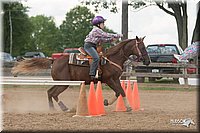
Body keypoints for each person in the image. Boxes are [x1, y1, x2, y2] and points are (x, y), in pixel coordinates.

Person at [84, 16, 123, 80]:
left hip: (92, 46)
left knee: (101, 57)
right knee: (96, 58)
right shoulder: (96, 30)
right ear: (98, 24)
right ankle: (92, 73)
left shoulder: (97, 31)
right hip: (89, 46)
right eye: (102, 23)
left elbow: (102, 40)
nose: (104, 25)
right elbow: (105, 35)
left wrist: (111, 40)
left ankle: (98, 72)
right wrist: (117, 35)